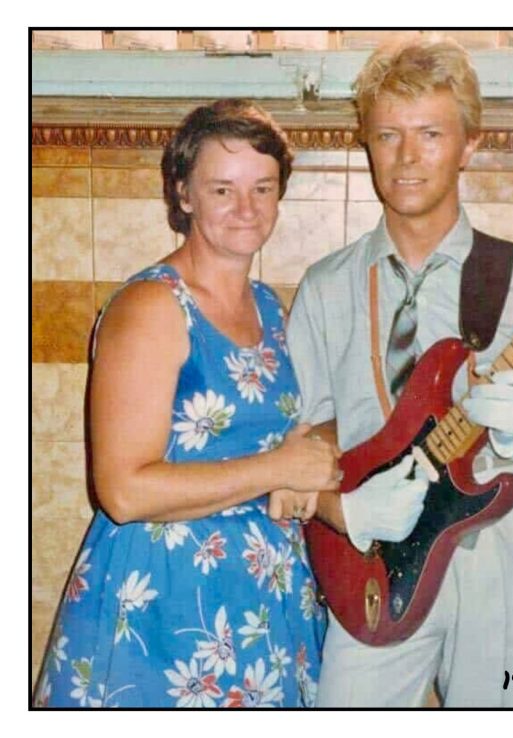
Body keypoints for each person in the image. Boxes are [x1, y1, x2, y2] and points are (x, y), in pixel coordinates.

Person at [285, 36, 513, 707]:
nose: (407, 157)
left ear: (470, 145)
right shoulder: (325, 286)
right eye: (388, 135)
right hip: (375, 554)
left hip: (504, 557)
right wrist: (347, 510)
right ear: (367, 143)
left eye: (431, 134)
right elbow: (305, 435)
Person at [33, 99, 338, 708]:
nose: (246, 208)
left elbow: (293, 429)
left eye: (262, 188)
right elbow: (124, 491)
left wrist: (310, 456)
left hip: (262, 597)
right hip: (163, 603)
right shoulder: (152, 307)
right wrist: (277, 469)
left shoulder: (271, 306)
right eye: (222, 189)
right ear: (184, 194)